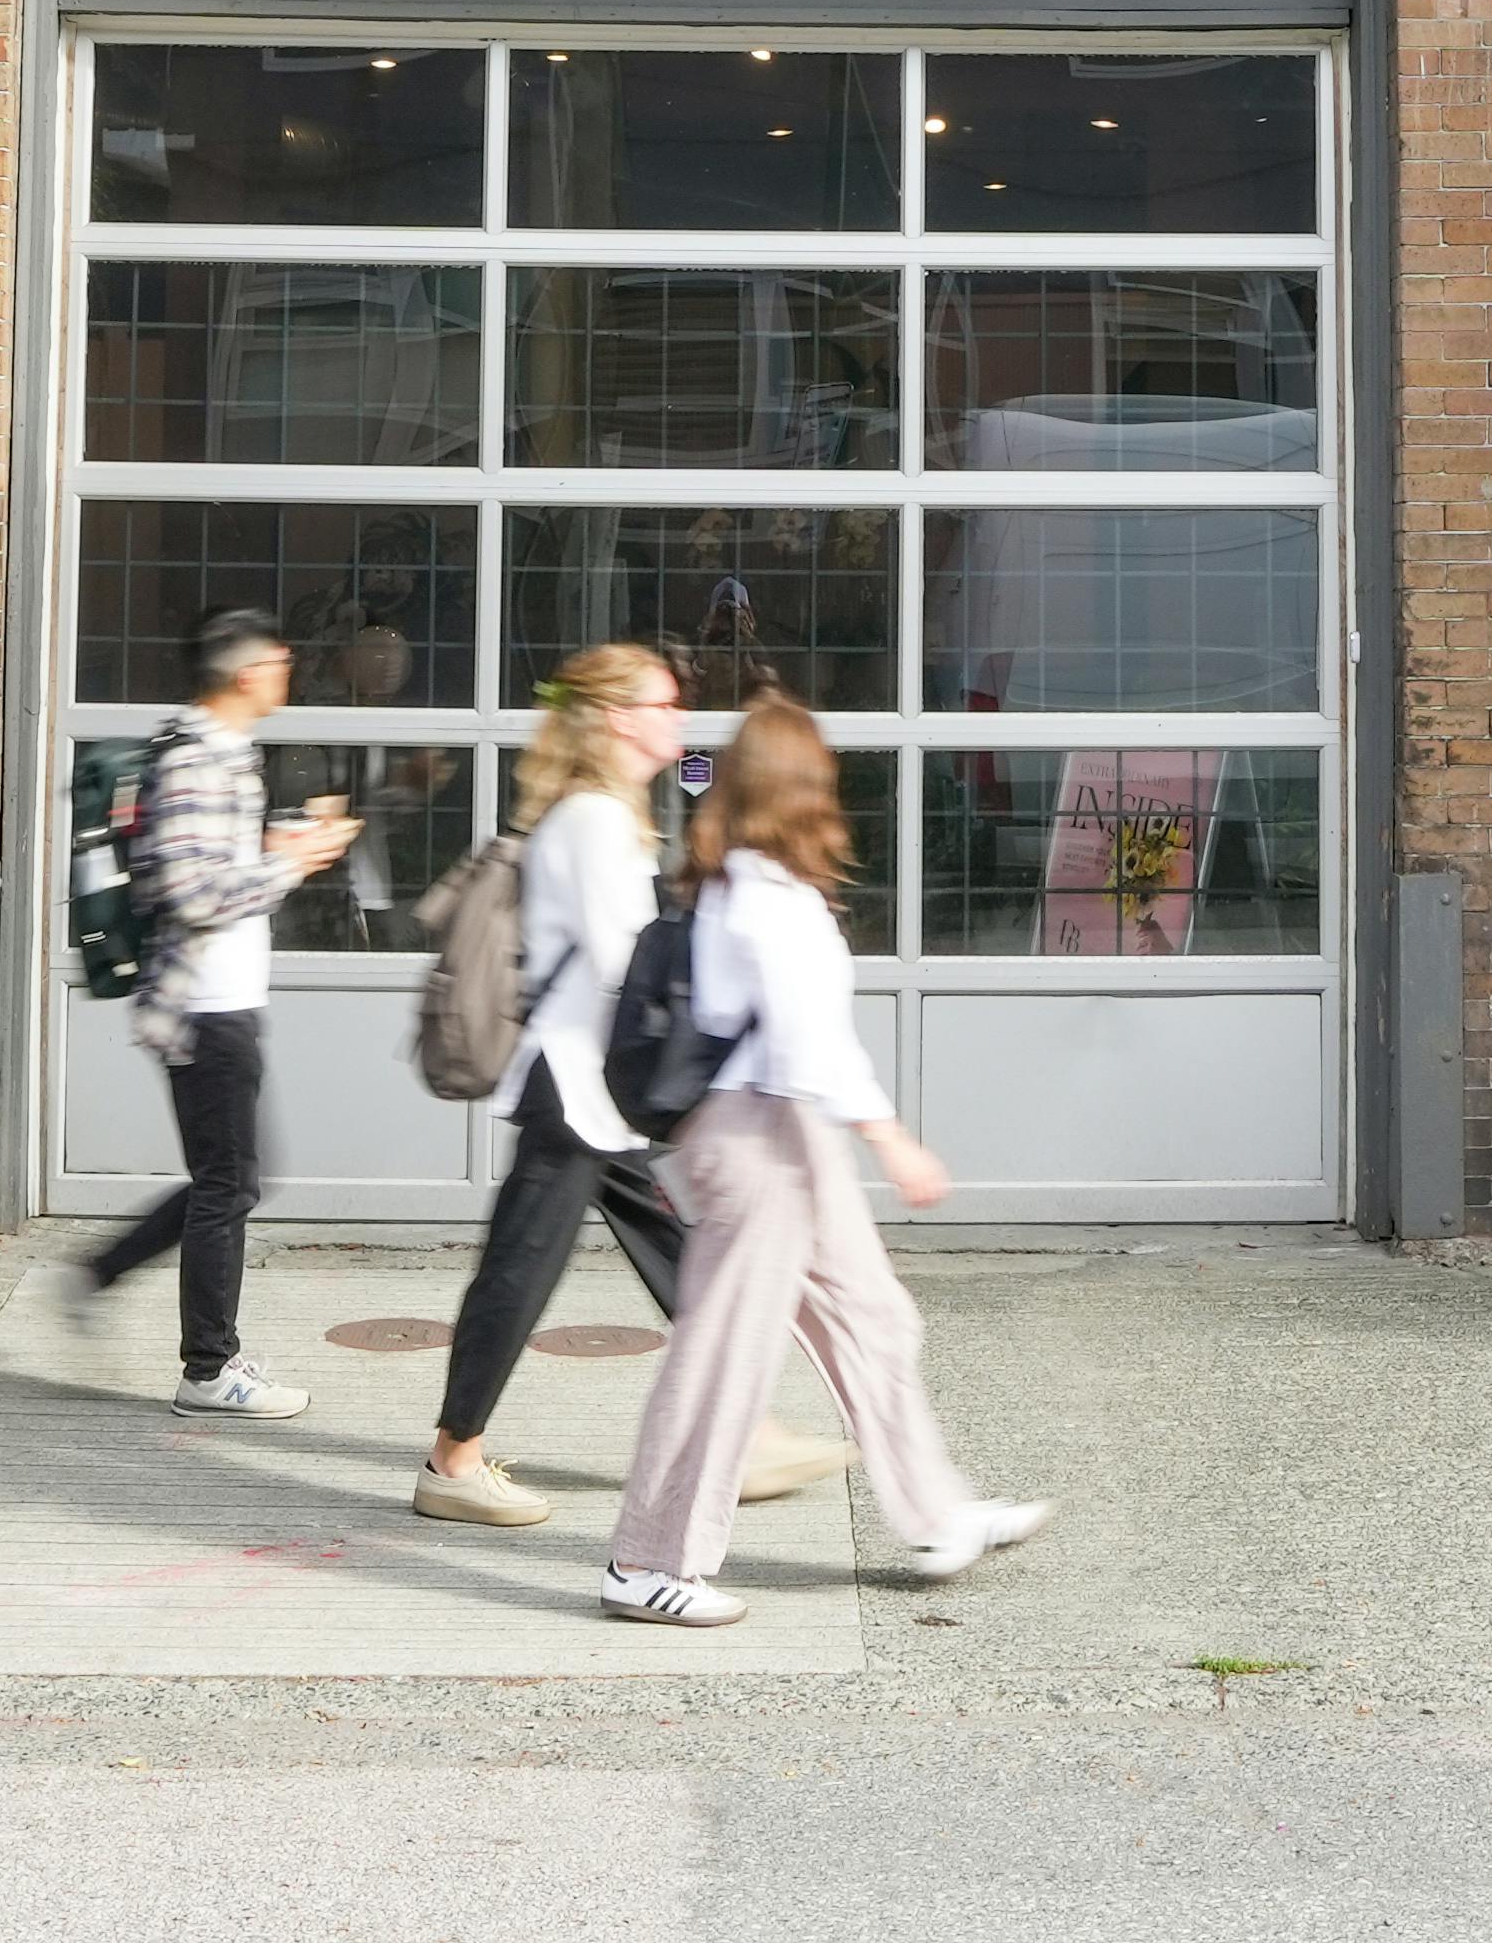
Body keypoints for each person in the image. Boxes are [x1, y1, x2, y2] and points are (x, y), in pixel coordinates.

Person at [594, 695, 1049, 1628]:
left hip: (778, 1133)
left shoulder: (740, 882)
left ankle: (935, 1516)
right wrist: (893, 1139)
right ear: (801, 784)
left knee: (873, 1319)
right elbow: (808, 1046)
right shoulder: (766, 898)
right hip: (760, 1139)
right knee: (725, 1357)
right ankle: (647, 1560)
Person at [409, 641, 843, 1532]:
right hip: (574, 1090)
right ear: (616, 717)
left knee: (679, 1251)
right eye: (663, 704)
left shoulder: (607, 814)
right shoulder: (594, 821)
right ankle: (452, 1459)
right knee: (520, 1274)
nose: (679, 719)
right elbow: (626, 961)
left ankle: (747, 1428)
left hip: (595, 1091)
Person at [81, 603, 354, 1417]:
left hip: (221, 998)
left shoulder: (222, 752)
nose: (289, 667)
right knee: (228, 1183)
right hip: (204, 1004)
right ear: (246, 673)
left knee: (227, 1178)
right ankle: (208, 1369)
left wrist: (279, 843)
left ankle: (102, 1272)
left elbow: (206, 861)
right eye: (279, 658)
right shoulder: (198, 758)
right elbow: (188, 890)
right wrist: (293, 864)